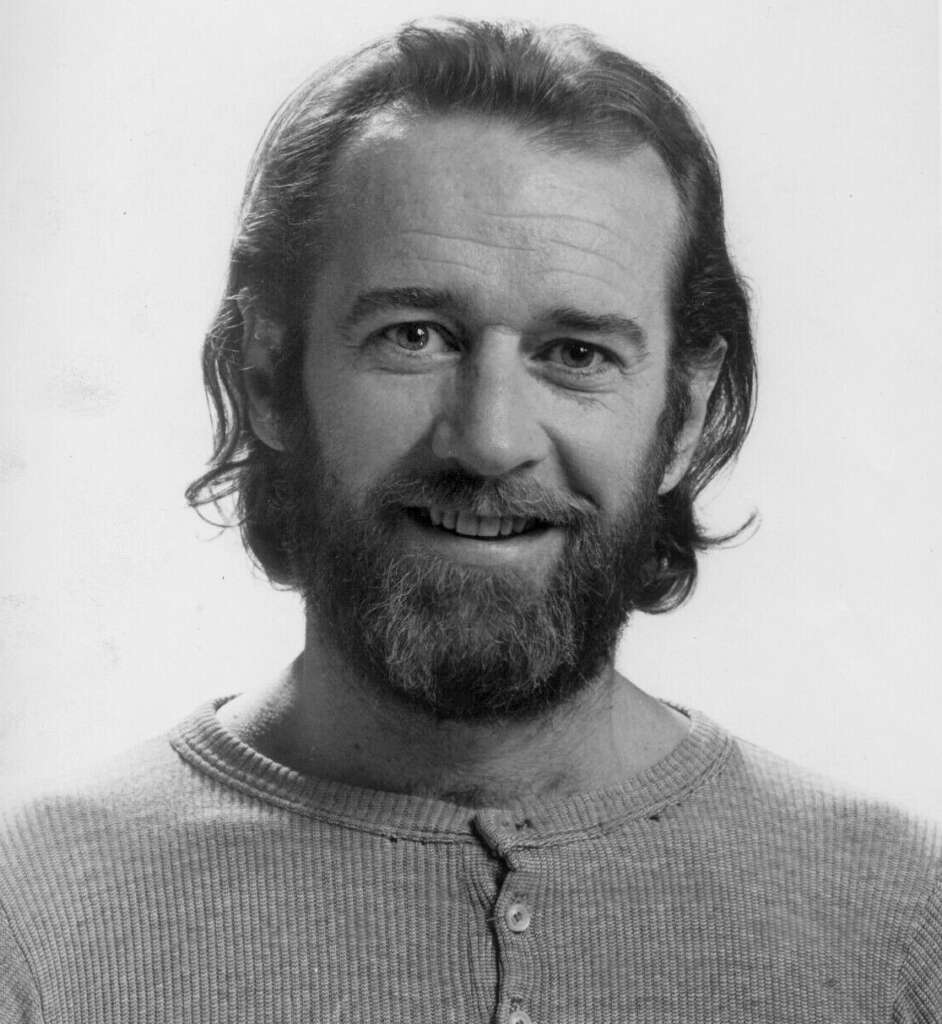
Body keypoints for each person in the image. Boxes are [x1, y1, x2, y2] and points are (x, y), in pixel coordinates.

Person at [1, 17, 938, 1023]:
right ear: (267, 373)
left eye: (577, 353)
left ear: (689, 415)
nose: (489, 441)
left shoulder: (896, 926)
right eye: (414, 336)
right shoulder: (37, 923)